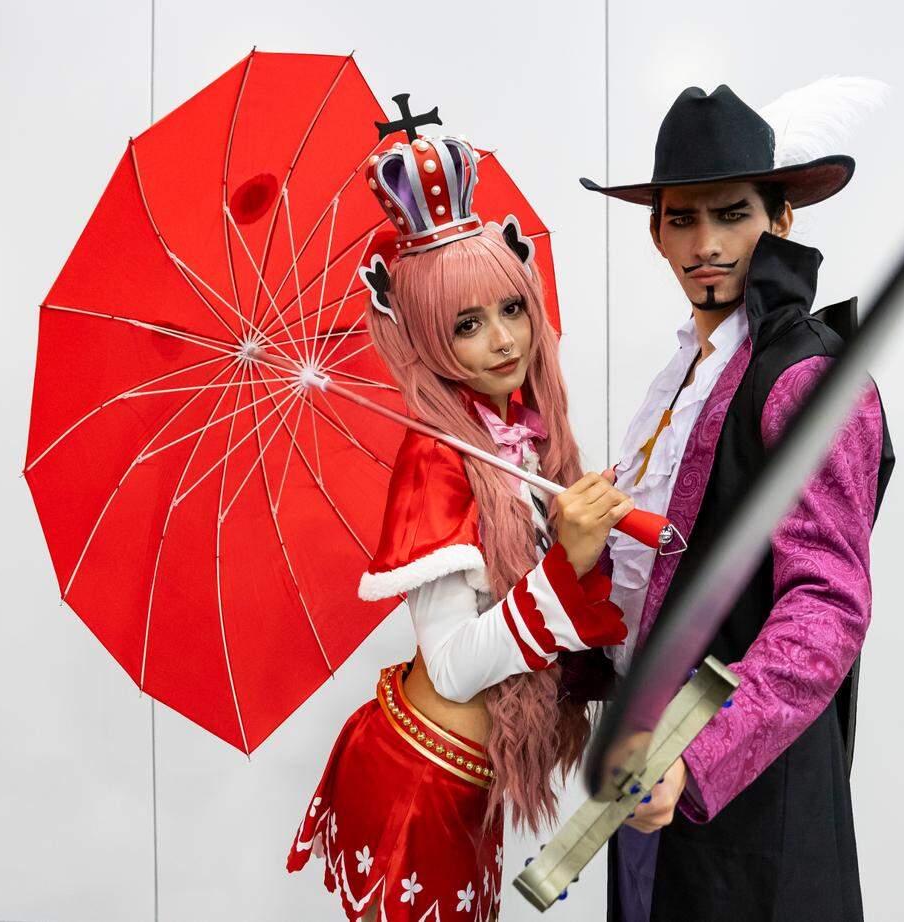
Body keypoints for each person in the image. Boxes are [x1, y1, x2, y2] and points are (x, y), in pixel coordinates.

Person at [287, 132, 632, 922]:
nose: (504, 340)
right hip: (419, 777)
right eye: (466, 324)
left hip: (468, 780)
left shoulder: (527, 435)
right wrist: (562, 566)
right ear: (423, 337)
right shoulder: (436, 462)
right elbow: (448, 669)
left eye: (512, 308)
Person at [579, 81, 896, 920]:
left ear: (780, 218)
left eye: (733, 214)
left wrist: (697, 758)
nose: (707, 243)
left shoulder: (804, 376)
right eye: (681, 218)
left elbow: (826, 606)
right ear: (655, 232)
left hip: (749, 790)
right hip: (648, 773)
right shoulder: (685, 372)